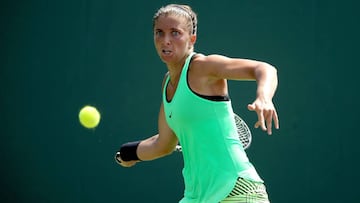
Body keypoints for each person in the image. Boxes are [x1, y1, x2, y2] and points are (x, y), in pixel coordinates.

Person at [115, 4, 279, 203]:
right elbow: (163, 144)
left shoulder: (203, 67)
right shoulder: (167, 83)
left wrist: (264, 97)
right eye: (159, 32)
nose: (165, 40)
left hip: (237, 190)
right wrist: (130, 153)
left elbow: (264, 69)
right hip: (197, 196)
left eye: (175, 33)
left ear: (191, 38)